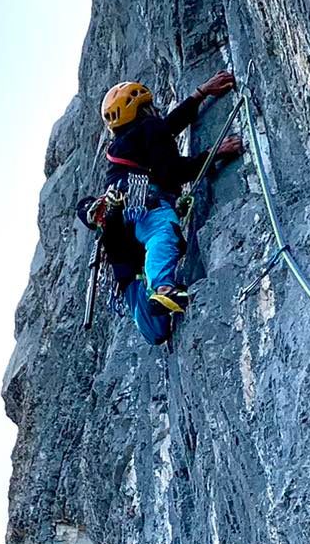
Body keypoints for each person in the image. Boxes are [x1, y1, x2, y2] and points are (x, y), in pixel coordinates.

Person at [76, 72, 244, 343]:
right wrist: (214, 153)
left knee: (156, 331)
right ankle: (163, 288)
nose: (155, 110)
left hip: (119, 236)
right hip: (144, 205)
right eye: (149, 106)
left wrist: (200, 94)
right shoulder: (149, 129)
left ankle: (152, 303)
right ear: (142, 109)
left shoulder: (125, 146)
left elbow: (167, 130)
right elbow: (171, 171)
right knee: (162, 233)